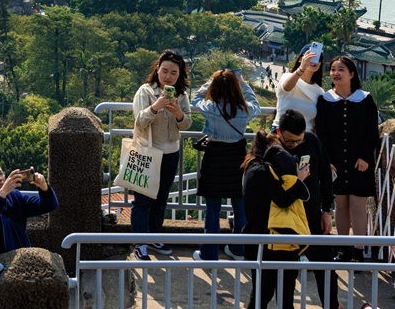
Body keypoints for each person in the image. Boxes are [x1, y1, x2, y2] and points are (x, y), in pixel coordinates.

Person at [0, 156, 58, 308]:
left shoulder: (15, 198)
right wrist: (1, 195)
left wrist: (44, 188)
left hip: (21, 274)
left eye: (0, 173)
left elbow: (49, 205)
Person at [315, 55, 380, 262]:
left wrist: (364, 157)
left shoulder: (365, 99)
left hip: (359, 163)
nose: (336, 73)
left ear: (352, 73)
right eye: (333, 69)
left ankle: (359, 251)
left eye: (341, 69)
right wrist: (327, 161)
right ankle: (343, 248)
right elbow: (321, 134)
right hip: (335, 163)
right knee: (340, 205)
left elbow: (372, 131)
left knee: (358, 207)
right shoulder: (325, 100)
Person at [191, 68, 261, 260]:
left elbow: (195, 100)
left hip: (214, 158)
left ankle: (209, 254)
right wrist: (244, 83)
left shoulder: (211, 108)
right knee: (240, 207)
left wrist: (208, 82)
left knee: (212, 209)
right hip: (238, 158)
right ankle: (238, 250)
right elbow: (256, 104)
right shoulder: (243, 109)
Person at [274, 109, 340, 309]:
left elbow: (325, 177)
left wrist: (327, 210)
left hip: (312, 215)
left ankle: (332, 305)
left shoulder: (312, 141)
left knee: (326, 268)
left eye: (298, 141)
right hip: (286, 219)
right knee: (286, 273)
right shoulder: (273, 150)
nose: (294, 145)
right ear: (279, 132)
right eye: (290, 141)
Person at [131, 50, 192, 259]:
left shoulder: (181, 95)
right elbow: (139, 121)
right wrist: (156, 107)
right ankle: (139, 242)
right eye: (164, 71)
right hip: (148, 153)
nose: (168, 76)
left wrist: (178, 113)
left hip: (171, 153)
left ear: (179, 74)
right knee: (143, 199)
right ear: (157, 70)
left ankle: (154, 235)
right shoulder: (145, 92)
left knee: (161, 198)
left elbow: (187, 123)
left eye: (173, 73)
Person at [241, 128, 310, 309]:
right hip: (273, 242)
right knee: (279, 296)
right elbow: (282, 200)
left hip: (261, 240)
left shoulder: (252, 168)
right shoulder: (262, 171)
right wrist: (298, 179)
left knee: (261, 296)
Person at [275, 45, 326, 130]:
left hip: (306, 138)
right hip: (283, 133)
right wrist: (301, 69)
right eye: (308, 56)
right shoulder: (287, 77)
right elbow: (286, 88)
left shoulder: (319, 91)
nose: (313, 60)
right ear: (300, 59)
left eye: (318, 58)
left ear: (320, 64)